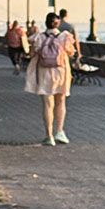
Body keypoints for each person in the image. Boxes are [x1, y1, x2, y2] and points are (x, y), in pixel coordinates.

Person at [24, 12, 75, 145]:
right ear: (58, 23)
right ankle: (60, 131)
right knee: (61, 101)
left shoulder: (39, 37)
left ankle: (49, 135)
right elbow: (70, 52)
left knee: (47, 103)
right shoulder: (65, 36)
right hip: (61, 71)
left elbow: (31, 53)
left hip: (44, 71)